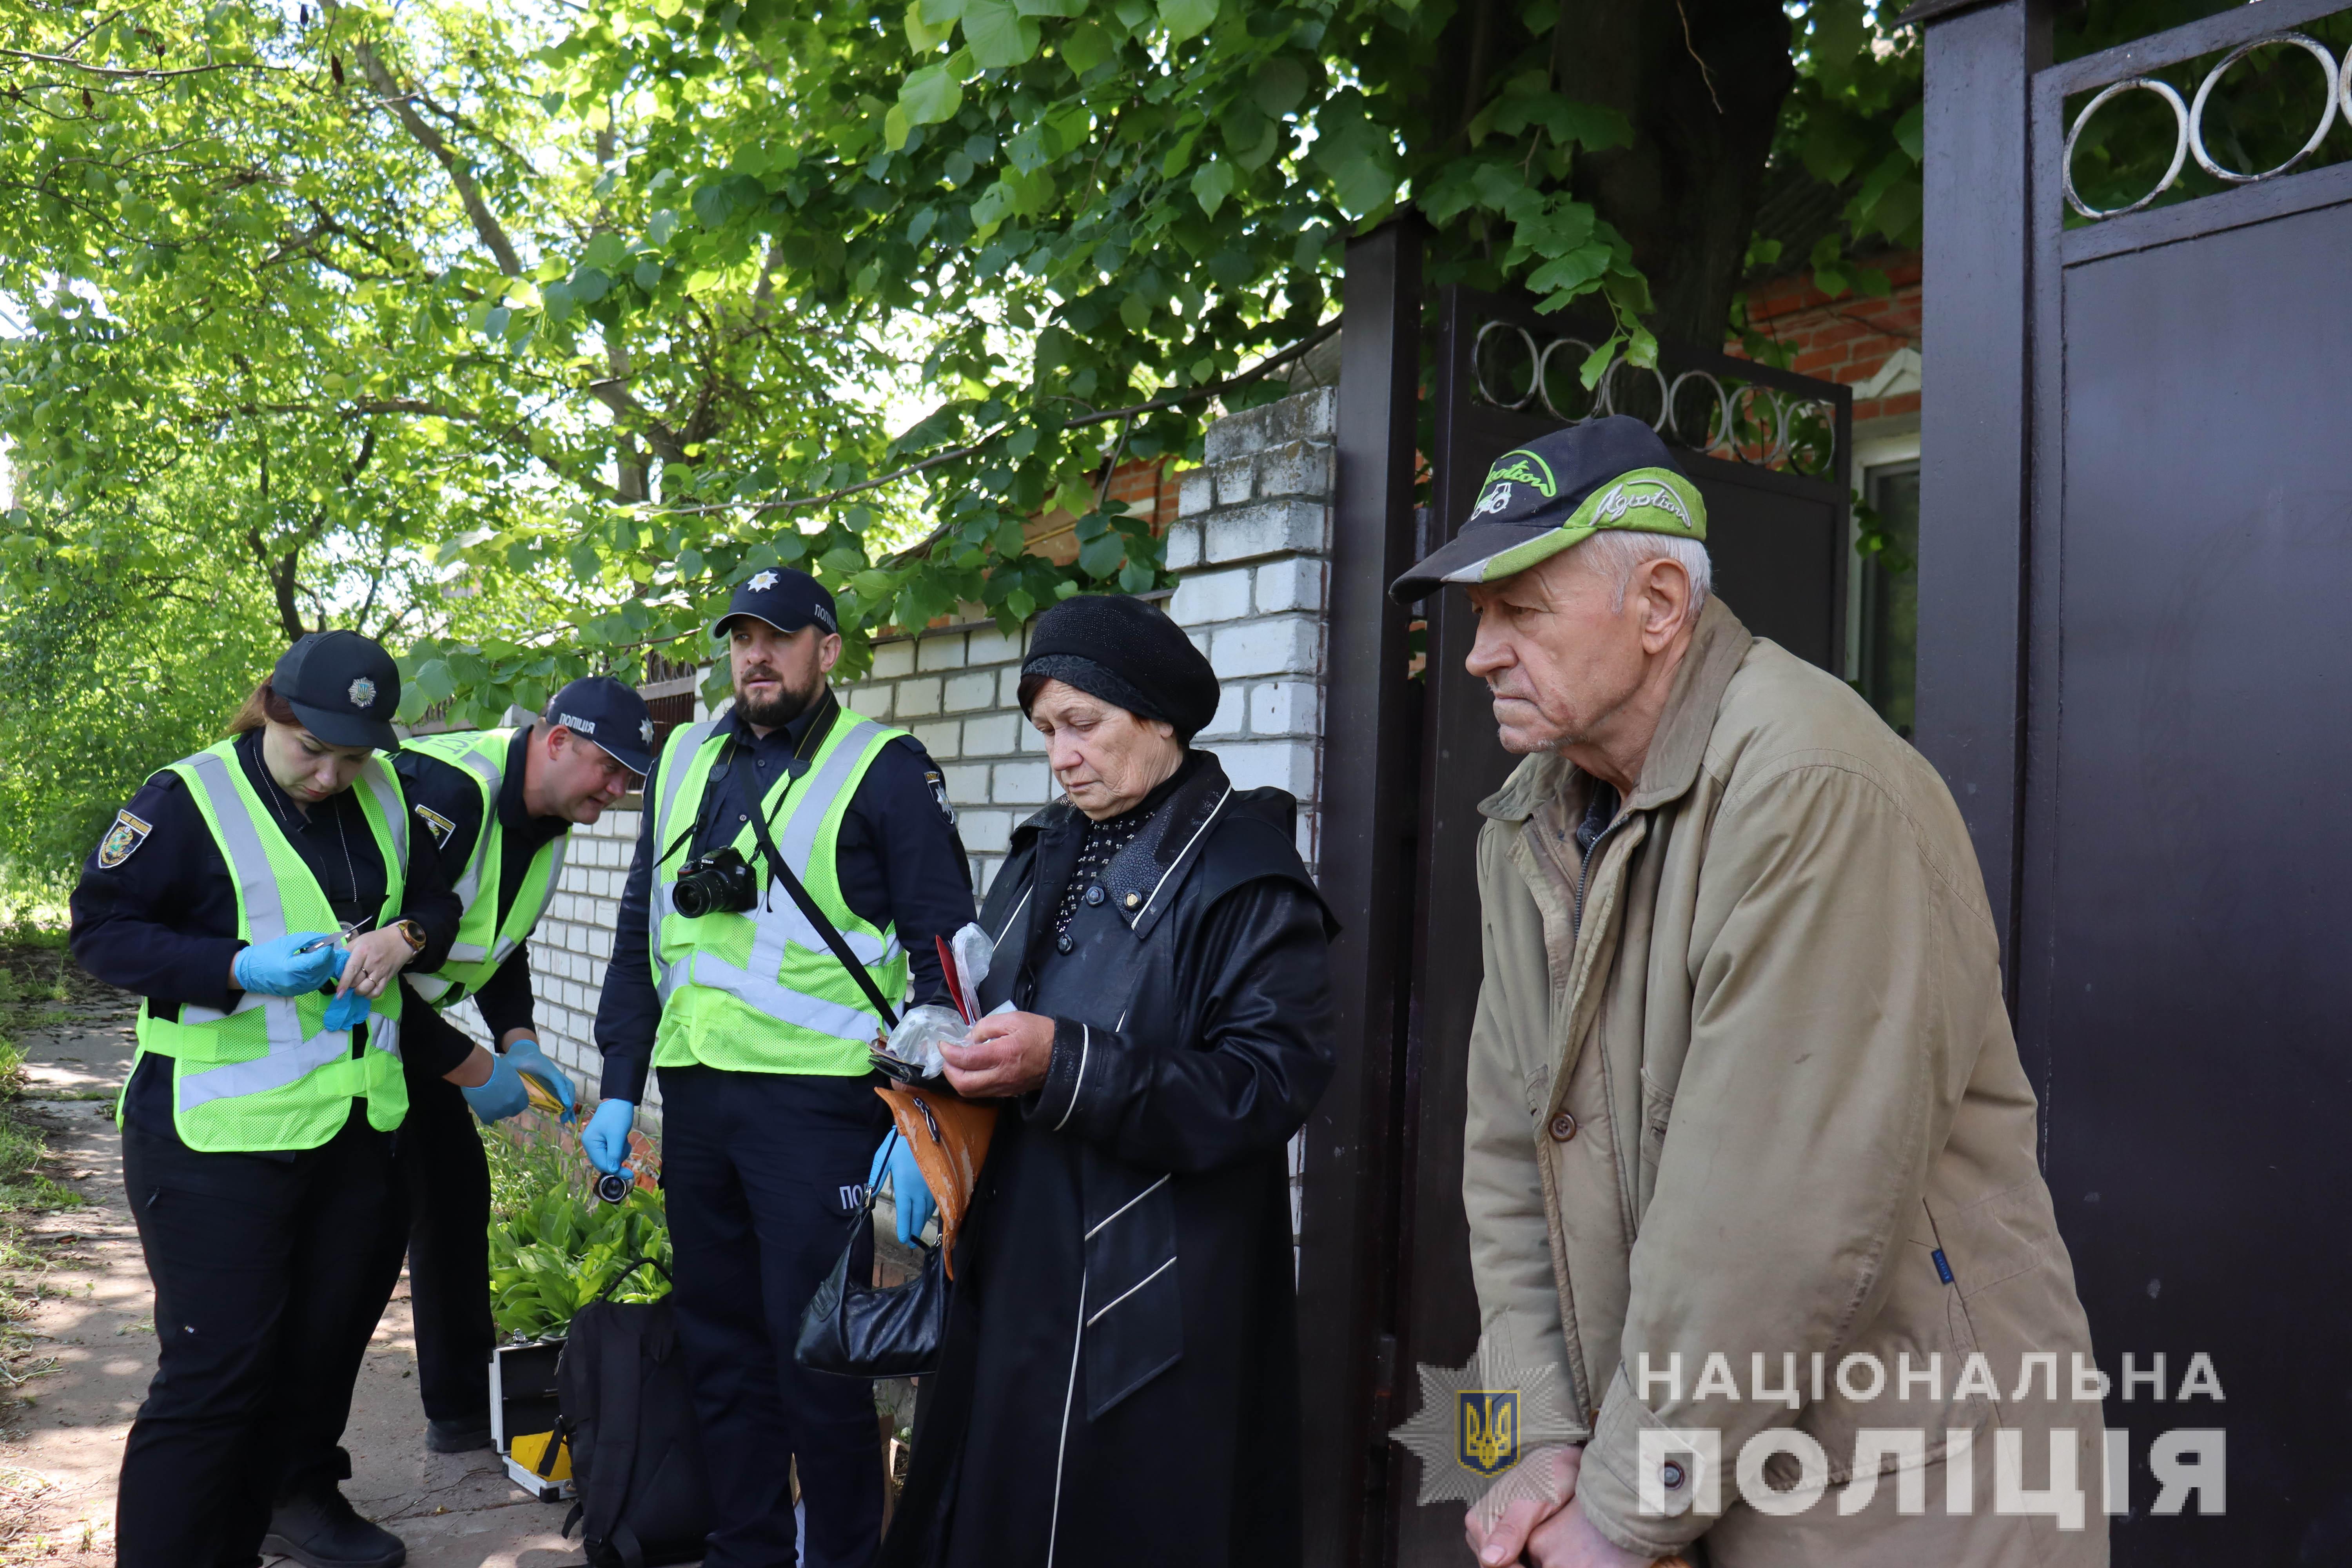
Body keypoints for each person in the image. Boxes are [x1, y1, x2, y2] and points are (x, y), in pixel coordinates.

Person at [1388, 418, 2102, 1567]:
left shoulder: (1814, 782)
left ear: (1661, 603)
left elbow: (1777, 1217)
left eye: (1520, 611)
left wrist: (1623, 1510)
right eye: (1478, 615)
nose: (1478, 654)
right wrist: (1532, 1441)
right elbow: (1512, 1161)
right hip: (1687, 1468)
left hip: (1896, 1492)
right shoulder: (1532, 817)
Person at [879, 593, 1338, 1568]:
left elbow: (1265, 1086)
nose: (1062, 753)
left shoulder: (1248, 877)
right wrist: (943, 1059)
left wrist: (1065, 1061)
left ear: (1160, 717)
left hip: (1149, 1291)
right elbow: (998, 995)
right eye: (1047, 729)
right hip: (1014, 1258)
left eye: (1083, 724)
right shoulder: (1044, 846)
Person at [69, 630, 525, 1568]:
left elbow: (442, 908)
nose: (327, 775)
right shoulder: (188, 798)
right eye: (310, 749)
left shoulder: (393, 793)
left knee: (303, 1372)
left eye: (349, 756)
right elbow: (101, 933)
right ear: (270, 706)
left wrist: (405, 936)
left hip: (360, 1136)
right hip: (213, 1142)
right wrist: (234, 965)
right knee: (213, 1383)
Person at [586, 564, 973, 1568]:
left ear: (827, 649)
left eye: (781, 635)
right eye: (740, 636)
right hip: (698, 1098)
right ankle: (747, 1547)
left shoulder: (886, 766)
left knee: (820, 1362)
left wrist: (922, 1119)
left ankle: (842, 1556)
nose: (755, 654)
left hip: (822, 1109)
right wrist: (621, 1081)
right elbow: (643, 933)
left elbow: (946, 957)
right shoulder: (681, 760)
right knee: (721, 1346)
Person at [381, 675, 653, 1454]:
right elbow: (372, 960)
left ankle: (463, 1411)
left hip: (411, 1026)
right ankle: (291, 1476)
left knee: (456, 1195)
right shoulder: (451, 792)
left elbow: (502, 937)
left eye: (630, 776)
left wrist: (519, 1039)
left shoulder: (551, 818)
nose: (618, 787)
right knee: (359, 1232)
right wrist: (472, 1067)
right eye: (609, 766)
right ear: (557, 740)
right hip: (345, 1026)